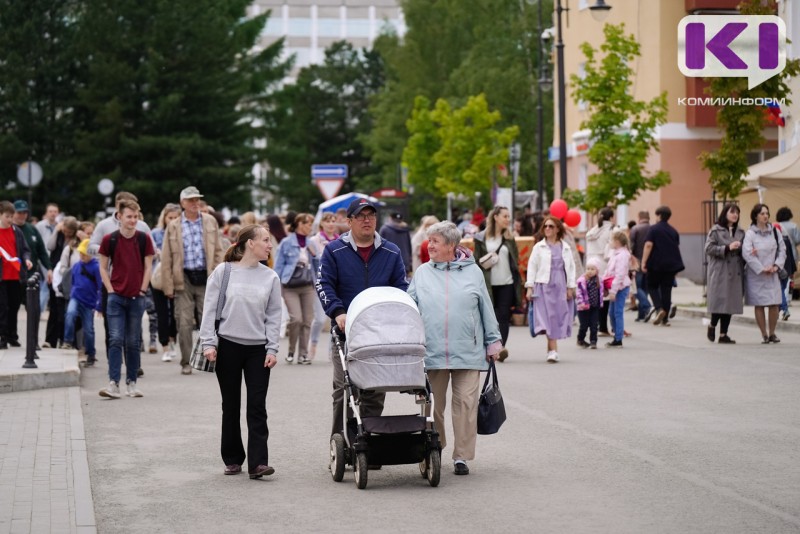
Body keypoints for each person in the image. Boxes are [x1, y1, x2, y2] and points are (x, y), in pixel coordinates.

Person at [408, 221, 501, 476]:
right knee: (432, 406)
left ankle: (462, 456)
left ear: (451, 245)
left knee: (466, 405)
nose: (430, 246)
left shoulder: (474, 273)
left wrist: (493, 342)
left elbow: (486, 308)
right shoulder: (423, 273)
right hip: (432, 350)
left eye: (435, 241)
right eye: (430, 241)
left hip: (468, 351)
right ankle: (434, 447)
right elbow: (410, 307)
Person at [317, 197, 408, 437]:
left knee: (375, 388)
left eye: (371, 215)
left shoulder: (391, 251)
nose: (367, 220)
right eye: (360, 216)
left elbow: (401, 287)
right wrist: (338, 312)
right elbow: (324, 284)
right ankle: (341, 441)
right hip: (346, 329)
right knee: (343, 389)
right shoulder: (334, 251)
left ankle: (368, 440)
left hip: (380, 332)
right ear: (349, 222)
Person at [200, 225, 281, 479]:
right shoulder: (223, 272)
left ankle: (258, 463)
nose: (270, 245)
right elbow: (210, 308)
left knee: (257, 405)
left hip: (258, 350)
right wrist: (208, 343)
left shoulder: (270, 277)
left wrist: (272, 347)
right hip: (228, 347)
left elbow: (274, 316)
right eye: (266, 240)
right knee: (231, 404)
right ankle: (233, 458)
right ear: (250, 244)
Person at [161, 186, 225, 375]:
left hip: (207, 277)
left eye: (197, 200)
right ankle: (186, 361)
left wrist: (219, 274)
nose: (195, 203)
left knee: (211, 319)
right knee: (184, 322)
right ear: (182, 203)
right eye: (191, 200)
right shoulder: (174, 225)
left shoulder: (209, 221)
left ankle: (213, 357)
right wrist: (168, 285)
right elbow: (166, 257)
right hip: (184, 278)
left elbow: (219, 250)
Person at [97, 199, 155, 398]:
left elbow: (149, 266)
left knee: (132, 341)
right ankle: (113, 383)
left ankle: (132, 383)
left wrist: (142, 290)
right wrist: (110, 290)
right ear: (119, 216)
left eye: (135, 217)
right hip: (116, 297)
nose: (133, 220)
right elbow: (102, 267)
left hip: (136, 297)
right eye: (129, 216)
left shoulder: (143, 239)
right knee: (115, 339)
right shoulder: (109, 239)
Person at [473, 206, 522, 363]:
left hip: (506, 282)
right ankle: (489, 348)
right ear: (495, 217)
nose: (508, 219)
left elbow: (516, 260)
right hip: (488, 284)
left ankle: (499, 349)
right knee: (488, 317)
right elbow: (476, 261)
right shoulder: (481, 238)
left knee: (503, 316)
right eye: (505, 216)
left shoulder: (509, 238)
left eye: (509, 216)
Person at [525, 216, 577, 363]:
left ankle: (551, 350)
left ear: (558, 229)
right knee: (546, 319)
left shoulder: (565, 247)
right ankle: (553, 350)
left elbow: (571, 268)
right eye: (545, 226)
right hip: (543, 286)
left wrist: (570, 287)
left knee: (556, 317)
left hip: (560, 285)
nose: (547, 229)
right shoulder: (538, 247)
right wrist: (530, 287)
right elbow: (532, 267)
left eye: (551, 226)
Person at [274, 213, 316, 365]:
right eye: (307, 224)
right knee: (296, 319)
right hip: (290, 285)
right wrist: (276, 287)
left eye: (311, 224)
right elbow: (278, 266)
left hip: (307, 285)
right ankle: (291, 350)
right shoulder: (286, 242)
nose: (310, 227)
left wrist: (314, 255)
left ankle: (303, 355)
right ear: (298, 224)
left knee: (307, 320)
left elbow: (317, 266)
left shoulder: (311, 243)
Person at [742, 203, 786, 344]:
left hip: (772, 273)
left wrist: (776, 266)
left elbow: (782, 250)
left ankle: (772, 333)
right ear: (755, 216)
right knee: (759, 304)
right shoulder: (750, 233)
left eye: (767, 213)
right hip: (757, 275)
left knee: (774, 304)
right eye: (762, 213)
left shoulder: (774, 231)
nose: (765, 216)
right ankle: (764, 334)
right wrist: (761, 268)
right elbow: (747, 253)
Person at [704, 204, 745, 344]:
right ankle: (712, 325)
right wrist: (727, 248)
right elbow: (708, 248)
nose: (735, 215)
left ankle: (723, 335)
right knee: (720, 301)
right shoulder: (715, 230)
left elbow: (743, 250)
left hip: (735, 270)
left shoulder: (740, 231)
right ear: (725, 213)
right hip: (720, 270)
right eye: (732, 212)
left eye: (737, 213)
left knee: (731, 303)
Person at [12, 201, 52, 337]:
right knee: (11, 308)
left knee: (34, 309)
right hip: (13, 276)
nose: (22, 215)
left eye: (25, 212)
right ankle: (11, 335)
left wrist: (49, 268)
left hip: (31, 276)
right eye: (19, 212)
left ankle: (33, 339)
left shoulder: (32, 229)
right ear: (13, 213)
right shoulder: (10, 229)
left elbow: (41, 251)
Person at [641, 206, 684, 327]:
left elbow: (648, 245)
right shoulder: (673, 231)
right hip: (670, 265)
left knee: (652, 286)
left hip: (655, 264)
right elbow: (676, 247)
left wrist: (644, 262)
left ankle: (659, 309)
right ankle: (665, 319)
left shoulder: (653, 229)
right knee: (667, 289)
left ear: (659, 215)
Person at [63, 240, 102, 364]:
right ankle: (68, 341)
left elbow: (100, 287)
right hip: (75, 297)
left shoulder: (96, 267)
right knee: (70, 314)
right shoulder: (76, 266)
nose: (82, 256)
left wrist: (99, 304)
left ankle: (91, 353)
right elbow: (73, 281)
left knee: (89, 330)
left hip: (89, 302)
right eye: (80, 253)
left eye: (84, 254)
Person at [0, 201, 32, 349]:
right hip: (2, 276)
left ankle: (13, 335)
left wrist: (27, 259)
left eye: (11, 216)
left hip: (16, 276)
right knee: (3, 307)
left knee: (14, 307)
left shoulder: (16, 231)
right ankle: (3, 336)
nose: (10, 219)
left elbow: (25, 249)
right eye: (7, 216)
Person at [306, 212, 339, 360]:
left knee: (336, 318)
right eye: (327, 221)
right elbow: (311, 265)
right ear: (322, 224)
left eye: (333, 221)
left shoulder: (341, 241)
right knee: (319, 319)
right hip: (319, 283)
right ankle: (312, 344)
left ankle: (333, 350)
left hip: (337, 284)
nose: (331, 224)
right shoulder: (314, 241)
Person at [44, 216, 80, 349]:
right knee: (54, 307)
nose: (67, 234)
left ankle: (64, 338)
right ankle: (50, 339)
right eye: (65, 231)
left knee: (65, 310)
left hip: (68, 274)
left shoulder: (76, 239)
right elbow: (50, 246)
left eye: (69, 233)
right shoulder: (58, 234)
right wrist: (55, 231)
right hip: (56, 272)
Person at [151, 203, 181, 361]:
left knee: (176, 313)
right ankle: (164, 346)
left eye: (176, 217)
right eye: (170, 217)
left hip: (176, 277)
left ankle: (171, 340)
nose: (173, 220)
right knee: (162, 313)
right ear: (164, 217)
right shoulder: (156, 233)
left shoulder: (182, 233)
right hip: (158, 277)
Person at [585, 207, 615, 335]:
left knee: (594, 295)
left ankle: (593, 325)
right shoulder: (612, 230)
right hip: (604, 264)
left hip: (590, 264)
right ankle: (603, 327)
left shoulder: (592, 230)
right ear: (611, 217)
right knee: (606, 296)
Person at [603, 231, 632, 348]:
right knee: (611, 312)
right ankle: (616, 335)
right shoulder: (616, 254)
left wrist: (613, 291)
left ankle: (618, 339)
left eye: (611, 240)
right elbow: (609, 271)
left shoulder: (623, 255)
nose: (610, 242)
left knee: (617, 312)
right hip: (615, 286)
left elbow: (620, 274)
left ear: (617, 242)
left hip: (620, 287)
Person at [35, 203, 59, 312]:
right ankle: (38, 310)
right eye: (50, 211)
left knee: (47, 284)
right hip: (43, 259)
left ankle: (39, 310)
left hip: (55, 259)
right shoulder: (40, 226)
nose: (53, 214)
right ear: (46, 213)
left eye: (55, 211)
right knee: (46, 283)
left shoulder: (59, 225)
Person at [629, 211, 652, 322]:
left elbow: (631, 247)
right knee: (645, 288)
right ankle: (642, 314)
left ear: (639, 217)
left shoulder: (635, 229)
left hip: (637, 262)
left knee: (636, 288)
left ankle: (647, 306)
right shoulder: (653, 229)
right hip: (649, 263)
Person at [576, 258, 602, 349]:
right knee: (584, 325)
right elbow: (579, 293)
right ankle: (580, 339)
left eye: (592, 269)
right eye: (588, 269)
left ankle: (593, 341)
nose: (590, 271)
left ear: (597, 270)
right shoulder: (582, 280)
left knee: (594, 324)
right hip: (583, 307)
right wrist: (582, 303)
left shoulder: (599, 280)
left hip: (594, 306)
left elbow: (601, 292)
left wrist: (601, 301)